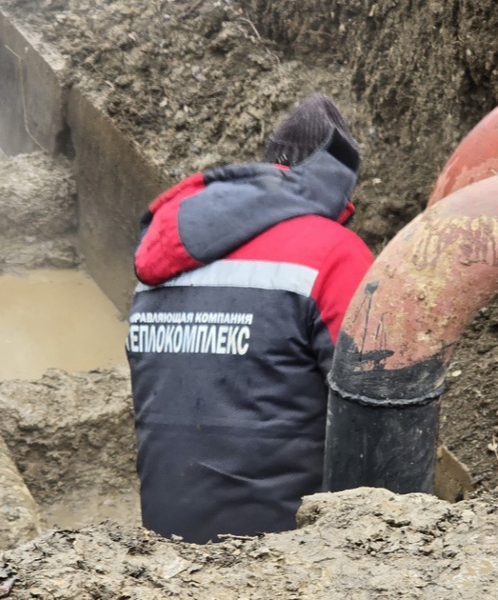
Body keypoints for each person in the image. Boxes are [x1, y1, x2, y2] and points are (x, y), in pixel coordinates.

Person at [125, 93, 374, 543]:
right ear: (337, 180)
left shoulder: (158, 261)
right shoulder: (332, 252)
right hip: (282, 550)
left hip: (164, 545)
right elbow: (375, 404)